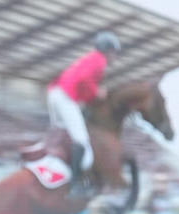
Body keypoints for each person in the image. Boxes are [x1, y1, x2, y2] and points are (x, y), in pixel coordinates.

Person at [46, 30, 122, 186]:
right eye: (114, 52)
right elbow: (84, 79)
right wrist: (97, 92)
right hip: (65, 98)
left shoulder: (90, 57)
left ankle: (57, 171)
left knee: (62, 135)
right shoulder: (100, 61)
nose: (115, 56)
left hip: (55, 94)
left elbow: (80, 84)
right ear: (108, 50)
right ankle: (75, 185)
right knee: (81, 140)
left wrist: (90, 96)